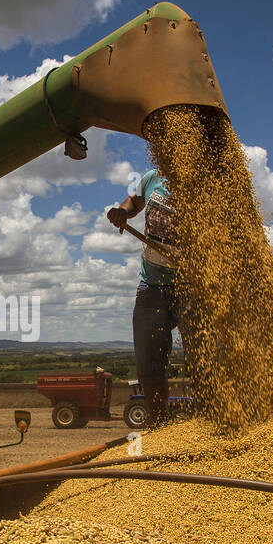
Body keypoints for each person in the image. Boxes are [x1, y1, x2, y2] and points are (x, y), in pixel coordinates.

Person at [107, 168, 191, 426]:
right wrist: (123, 211)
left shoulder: (204, 180)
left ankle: (212, 420)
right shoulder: (153, 176)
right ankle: (159, 423)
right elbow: (134, 200)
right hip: (152, 285)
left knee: (204, 354)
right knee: (148, 357)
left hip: (193, 286)